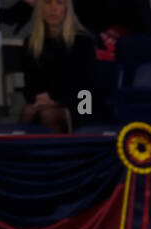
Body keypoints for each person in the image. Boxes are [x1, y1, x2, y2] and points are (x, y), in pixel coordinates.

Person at [20, 0, 98, 132]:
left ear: (67, 9)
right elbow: (30, 82)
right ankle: (24, 151)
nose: (53, 8)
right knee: (28, 111)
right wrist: (38, 96)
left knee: (48, 115)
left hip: (82, 103)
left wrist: (55, 99)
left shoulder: (83, 42)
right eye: (48, 3)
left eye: (59, 3)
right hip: (48, 102)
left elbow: (86, 86)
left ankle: (60, 152)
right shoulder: (32, 42)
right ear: (41, 9)